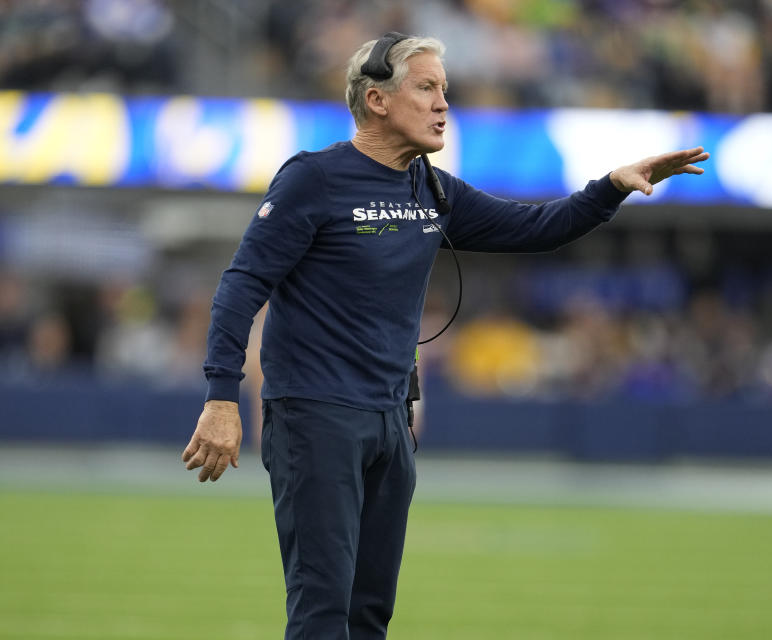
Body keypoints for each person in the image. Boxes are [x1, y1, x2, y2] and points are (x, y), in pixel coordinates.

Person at [181, 32, 709, 639]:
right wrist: (221, 396)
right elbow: (241, 285)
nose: (443, 104)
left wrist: (612, 186)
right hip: (317, 416)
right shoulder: (314, 178)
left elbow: (538, 227)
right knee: (322, 613)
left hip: (389, 420)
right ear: (377, 100)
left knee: (369, 613)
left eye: (445, 90)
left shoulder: (432, 187)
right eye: (427, 88)